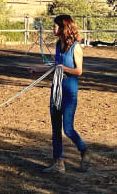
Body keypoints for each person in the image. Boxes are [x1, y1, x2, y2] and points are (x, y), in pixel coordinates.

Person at [28, 14, 90, 173]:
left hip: (69, 92)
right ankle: (58, 163)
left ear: (63, 27)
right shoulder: (58, 44)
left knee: (68, 129)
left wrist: (63, 69)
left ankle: (84, 150)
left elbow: (79, 71)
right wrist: (36, 69)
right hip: (56, 92)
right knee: (55, 129)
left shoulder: (76, 47)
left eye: (55, 26)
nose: (53, 28)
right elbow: (55, 66)